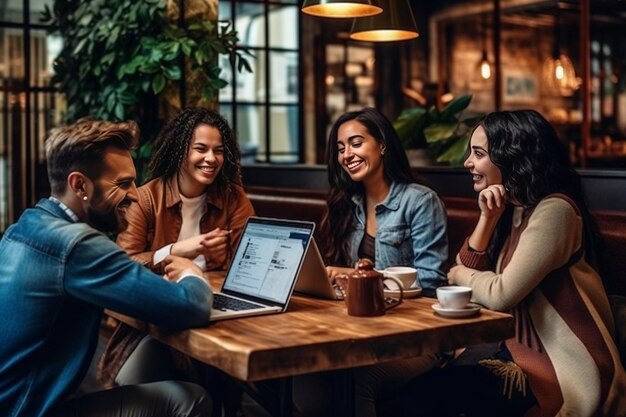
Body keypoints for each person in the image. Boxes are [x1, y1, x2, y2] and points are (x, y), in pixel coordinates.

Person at [401, 110, 626, 417]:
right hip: (516, 354)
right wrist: (488, 219)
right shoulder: (515, 208)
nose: (468, 162)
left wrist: (458, 273)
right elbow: (467, 275)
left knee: (422, 398)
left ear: (512, 157)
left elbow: (500, 293)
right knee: (418, 392)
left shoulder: (555, 211)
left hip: (559, 369)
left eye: (478, 153)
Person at [0, 118, 214, 417]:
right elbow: (189, 307)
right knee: (190, 399)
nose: (136, 194)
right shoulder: (77, 244)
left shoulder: (26, 226)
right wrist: (193, 273)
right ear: (80, 185)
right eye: (123, 183)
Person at [294, 107, 448, 417]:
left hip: (417, 338)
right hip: (360, 332)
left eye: (355, 143)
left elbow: (430, 281)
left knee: (353, 378)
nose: (347, 154)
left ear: (382, 145)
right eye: (340, 148)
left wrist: (352, 275)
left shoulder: (419, 201)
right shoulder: (346, 203)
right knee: (301, 375)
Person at [99, 107, 255, 387]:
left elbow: (251, 266)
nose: (211, 159)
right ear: (180, 150)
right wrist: (173, 252)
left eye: (218, 151)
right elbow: (123, 265)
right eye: (201, 149)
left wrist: (225, 258)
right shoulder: (146, 200)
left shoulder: (233, 199)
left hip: (222, 318)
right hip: (160, 319)